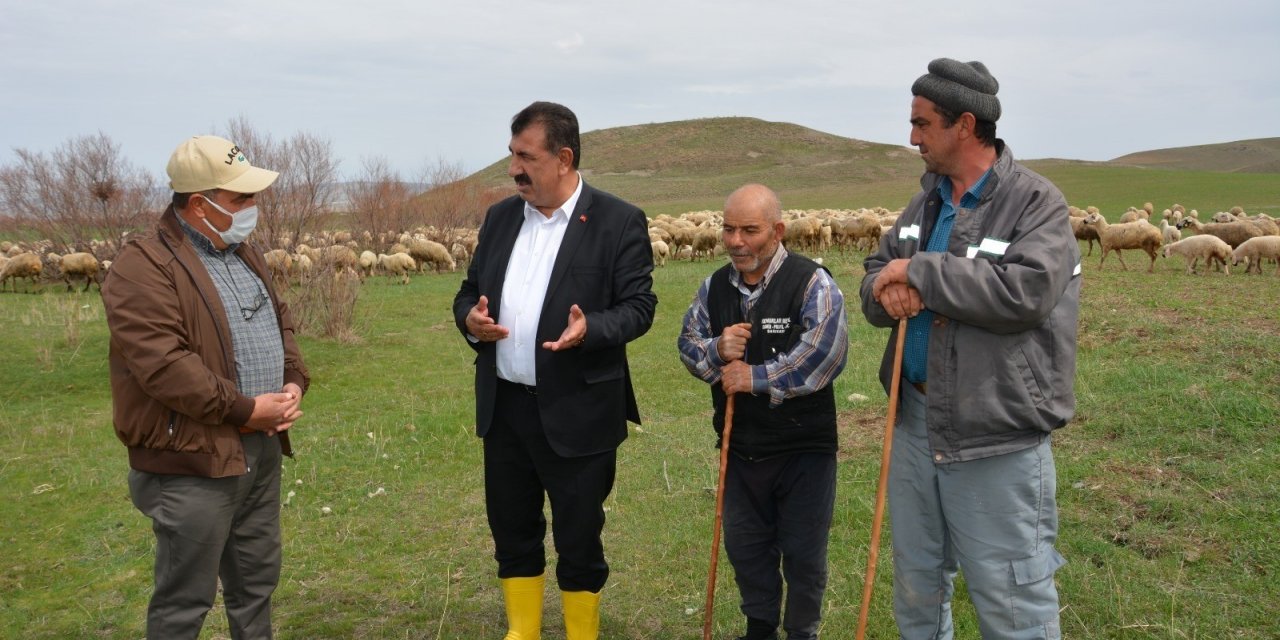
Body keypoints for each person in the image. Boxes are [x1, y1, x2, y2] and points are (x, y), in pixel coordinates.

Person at [859, 58, 1081, 639]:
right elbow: (877, 271)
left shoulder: (1036, 203)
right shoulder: (925, 201)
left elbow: (1025, 292)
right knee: (918, 588)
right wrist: (886, 291)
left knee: (1011, 597)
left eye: (921, 123)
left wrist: (921, 274)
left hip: (994, 434)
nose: (911, 138)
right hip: (913, 423)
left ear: (964, 124)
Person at [453, 101, 657, 640]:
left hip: (579, 408)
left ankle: (580, 634)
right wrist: (472, 320)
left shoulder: (617, 221)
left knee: (579, 535)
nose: (514, 169)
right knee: (512, 529)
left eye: (527, 157)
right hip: (506, 408)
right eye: (511, 156)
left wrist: (592, 327)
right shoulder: (500, 218)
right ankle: (523, 631)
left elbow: (639, 307)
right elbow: (468, 292)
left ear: (564, 158)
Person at [102, 135, 309, 639]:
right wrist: (243, 409)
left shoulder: (242, 253)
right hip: (193, 460)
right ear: (200, 204)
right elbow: (165, 365)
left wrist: (292, 380)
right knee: (184, 599)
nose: (253, 208)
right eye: (241, 200)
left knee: (256, 582)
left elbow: (278, 323)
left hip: (258, 450)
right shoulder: (143, 267)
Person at [678, 184, 849, 640]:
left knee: (802, 551)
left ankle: (800, 632)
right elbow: (688, 345)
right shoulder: (713, 287)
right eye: (729, 229)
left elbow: (825, 355)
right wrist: (717, 348)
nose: (736, 241)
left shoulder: (812, 282)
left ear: (776, 231)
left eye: (749, 230)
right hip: (741, 447)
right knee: (746, 546)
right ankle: (759, 628)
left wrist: (756, 376)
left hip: (803, 449)